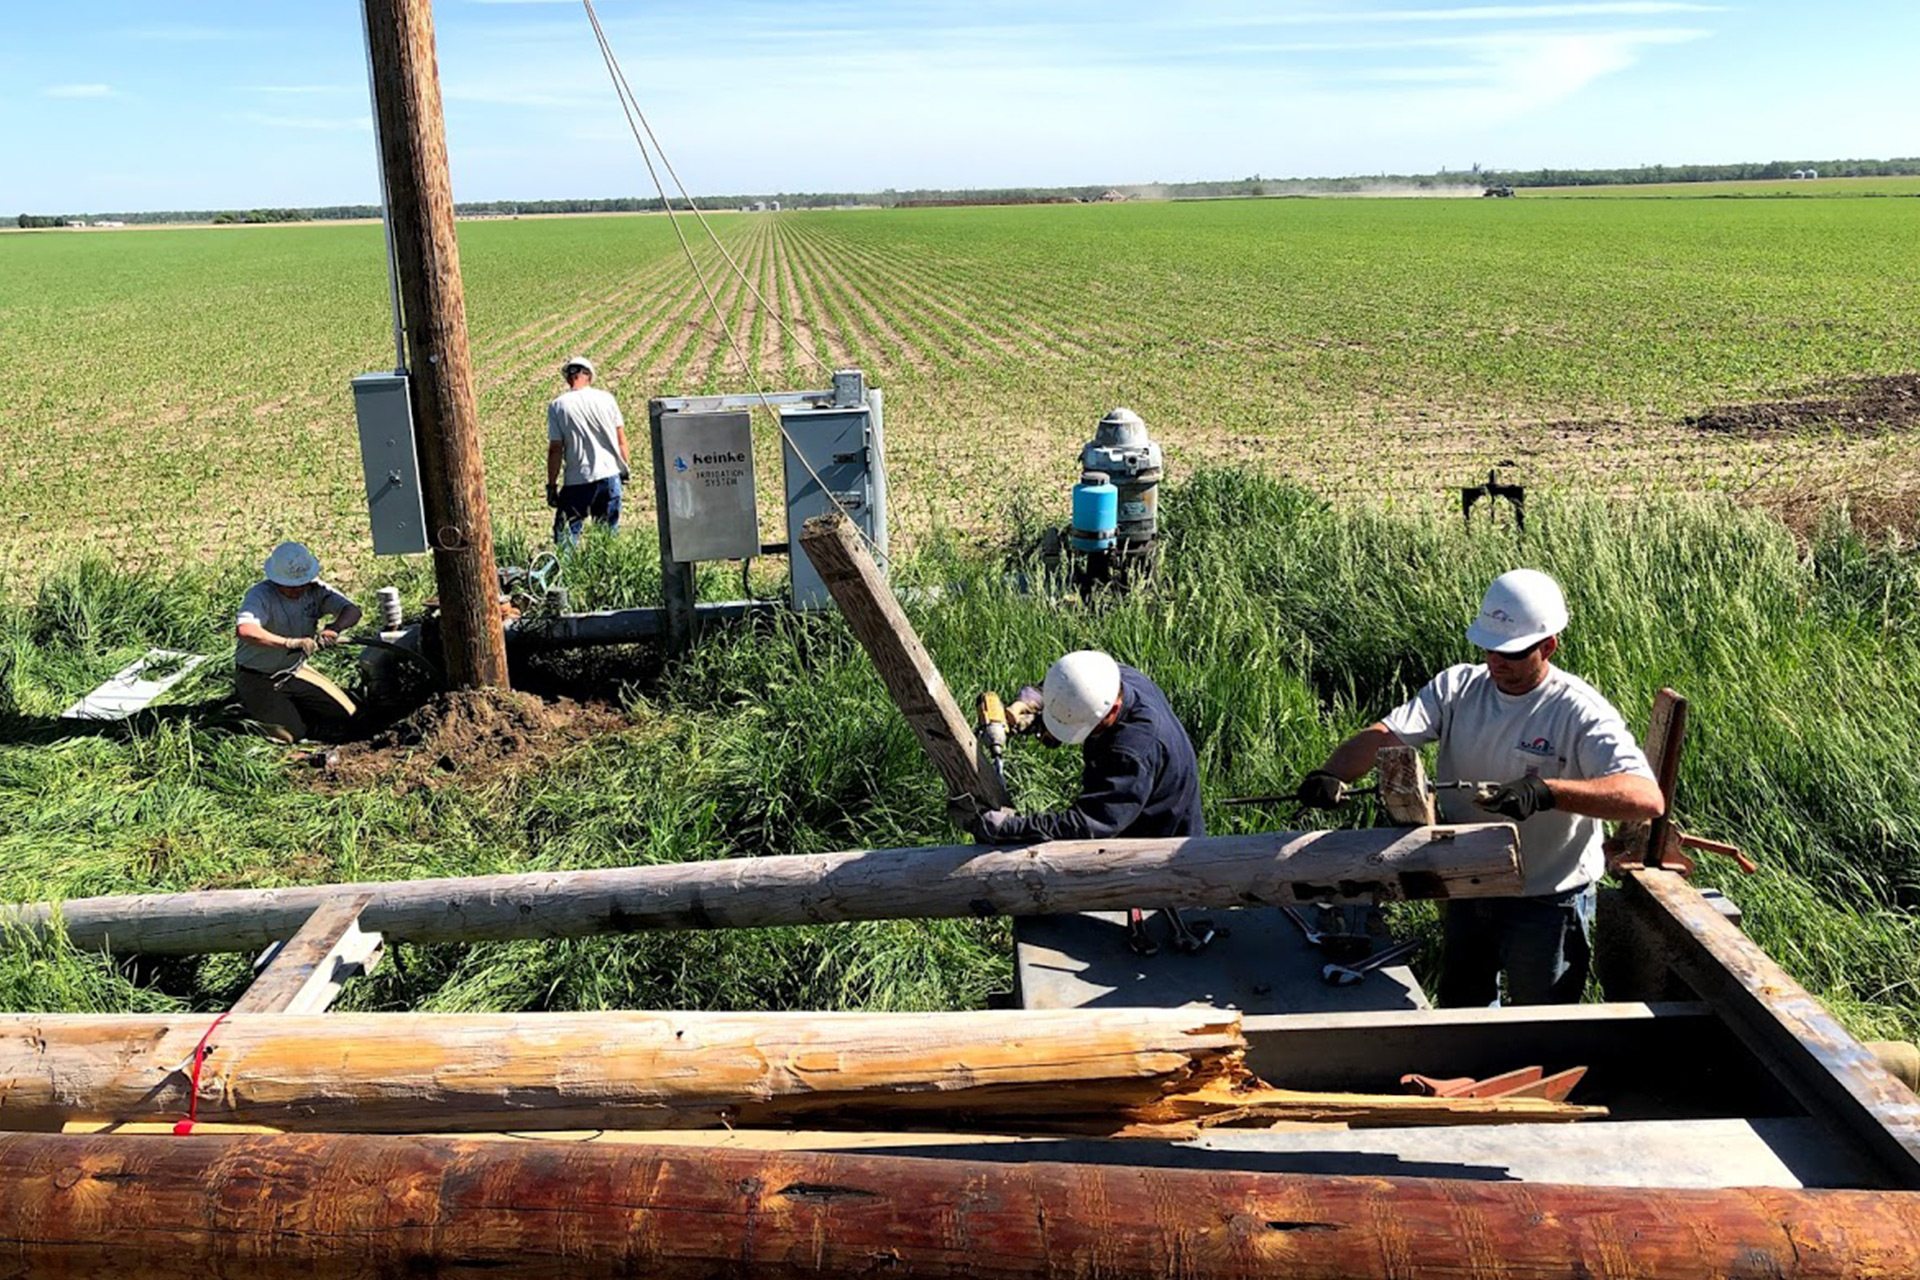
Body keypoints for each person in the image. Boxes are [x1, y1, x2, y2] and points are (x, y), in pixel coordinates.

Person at [1296, 569, 1664, 1006]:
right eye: (1490, 648)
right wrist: (1333, 773)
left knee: (1542, 1021)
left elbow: (1645, 796)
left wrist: (1545, 792)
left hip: (1547, 897)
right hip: (1469, 885)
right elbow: (1387, 737)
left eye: (1512, 651)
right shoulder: (1458, 688)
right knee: (1464, 1015)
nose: (1496, 661)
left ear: (1548, 646)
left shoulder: (1577, 711)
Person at [969, 650, 1203, 844]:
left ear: (1111, 712)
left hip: (1164, 865)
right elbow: (1074, 681)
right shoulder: (1114, 679)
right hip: (1137, 817)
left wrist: (1010, 828)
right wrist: (1035, 700)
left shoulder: (1132, 752)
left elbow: (1086, 825)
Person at [233, 541, 362, 743]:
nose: (296, 590)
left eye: (301, 584)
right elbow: (246, 630)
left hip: (294, 670)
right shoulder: (260, 595)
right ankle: (245, 713)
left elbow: (352, 611)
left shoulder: (316, 590)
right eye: (290, 586)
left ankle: (287, 708)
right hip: (259, 676)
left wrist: (334, 628)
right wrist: (289, 643)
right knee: (290, 736)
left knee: (348, 714)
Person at [546, 354, 630, 547]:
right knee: (607, 539)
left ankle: (565, 575)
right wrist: (624, 471)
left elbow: (555, 450)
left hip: (577, 480)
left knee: (566, 535)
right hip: (610, 476)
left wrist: (551, 485)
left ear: (569, 378)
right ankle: (605, 574)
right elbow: (621, 440)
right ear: (589, 377)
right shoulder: (607, 399)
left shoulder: (558, 405)